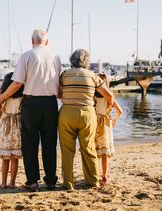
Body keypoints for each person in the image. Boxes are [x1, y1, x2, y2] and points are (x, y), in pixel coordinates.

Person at [0, 29, 61, 191]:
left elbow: (17, 83)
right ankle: (51, 180)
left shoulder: (26, 56)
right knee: (49, 143)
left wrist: (2, 97)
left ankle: (32, 181)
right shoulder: (56, 57)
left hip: (31, 103)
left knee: (30, 144)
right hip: (51, 103)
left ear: (32, 40)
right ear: (47, 41)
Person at [58, 49, 115, 190]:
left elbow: (58, 94)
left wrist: (69, 96)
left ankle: (68, 183)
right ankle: (92, 181)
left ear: (72, 60)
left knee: (67, 150)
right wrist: (107, 110)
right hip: (88, 114)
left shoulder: (64, 75)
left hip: (67, 113)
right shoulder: (93, 76)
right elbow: (110, 96)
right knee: (88, 148)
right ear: (87, 61)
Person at [0, 72, 24, 189]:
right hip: (17, 129)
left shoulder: (2, 99)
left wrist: (0, 108)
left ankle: (3, 182)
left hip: (5, 129)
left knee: (5, 159)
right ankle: (12, 183)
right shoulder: (22, 98)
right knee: (15, 158)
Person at [94, 74, 122, 184]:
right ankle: (104, 176)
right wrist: (114, 120)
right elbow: (120, 111)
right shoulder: (110, 96)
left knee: (94, 151)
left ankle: (94, 174)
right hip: (105, 124)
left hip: (95, 124)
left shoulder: (93, 96)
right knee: (105, 152)